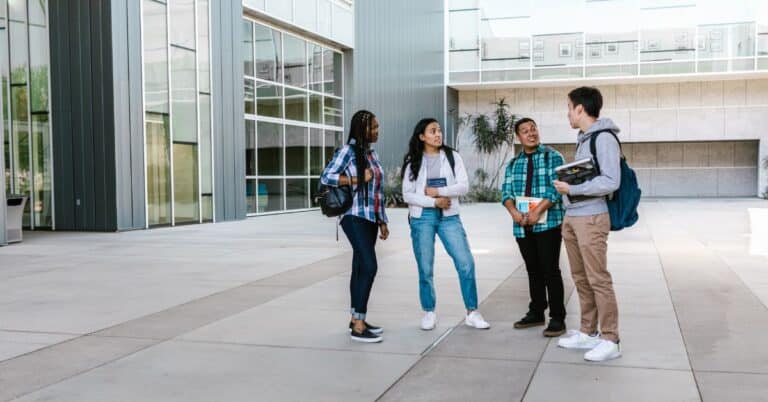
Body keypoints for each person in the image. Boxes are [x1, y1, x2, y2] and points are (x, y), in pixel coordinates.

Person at [401, 118, 490, 331]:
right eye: (432, 131)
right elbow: (407, 195)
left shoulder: (452, 156)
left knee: (466, 263)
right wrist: (434, 201)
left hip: (449, 216)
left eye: (439, 130)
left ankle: (472, 312)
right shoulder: (413, 159)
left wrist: (440, 192)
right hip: (422, 218)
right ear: (422, 136)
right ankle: (429, 311)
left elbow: (463, 186)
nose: (438, 134)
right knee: (425, 267)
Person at [553, 86, 622, 362]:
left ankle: (610, 338)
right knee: (580, 278)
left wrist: (572, 189)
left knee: (598, 279)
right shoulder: (584, 139)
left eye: (569, 108)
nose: (568, 114)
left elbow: (610, 181)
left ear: (580, 108)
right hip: (574, 216)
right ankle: (588, 331)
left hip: (592, 217)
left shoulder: (604, 138)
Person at [320, 110, 389, 343]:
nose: (377, 131)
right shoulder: (347, 152)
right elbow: (326, 177)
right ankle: (358, 326)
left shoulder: (372, 155)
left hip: (370, 218)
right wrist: (358, 179)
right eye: (373, 127)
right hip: (353, 216)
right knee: (369, 266)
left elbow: (378, 191)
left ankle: (356, 319)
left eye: (378, 127)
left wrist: (382, 220)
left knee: (360, 267)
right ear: (362, 130)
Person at [501, 117, 567, 337]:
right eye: (525, 131)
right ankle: (537, 311)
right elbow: (506, 193)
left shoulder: (552, 156)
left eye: (533, 129)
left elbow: (556, 189)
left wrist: (537, 211)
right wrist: (515, 214)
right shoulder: (513, 163)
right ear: (518, 136)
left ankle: (557, 318)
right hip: (522, 225)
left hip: (548, 223)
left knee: (551, 270)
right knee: (532, 270)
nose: (531, 133)